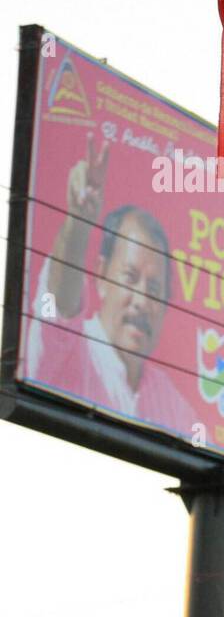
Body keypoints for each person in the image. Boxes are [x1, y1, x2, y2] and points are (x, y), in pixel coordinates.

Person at [26, 134, 196, 432]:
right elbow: (60, 304)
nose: (142, 301)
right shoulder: (68, 349)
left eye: (154, 290)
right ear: (102, 276)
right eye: (130, 278)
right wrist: (79, 220)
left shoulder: (174, 407)